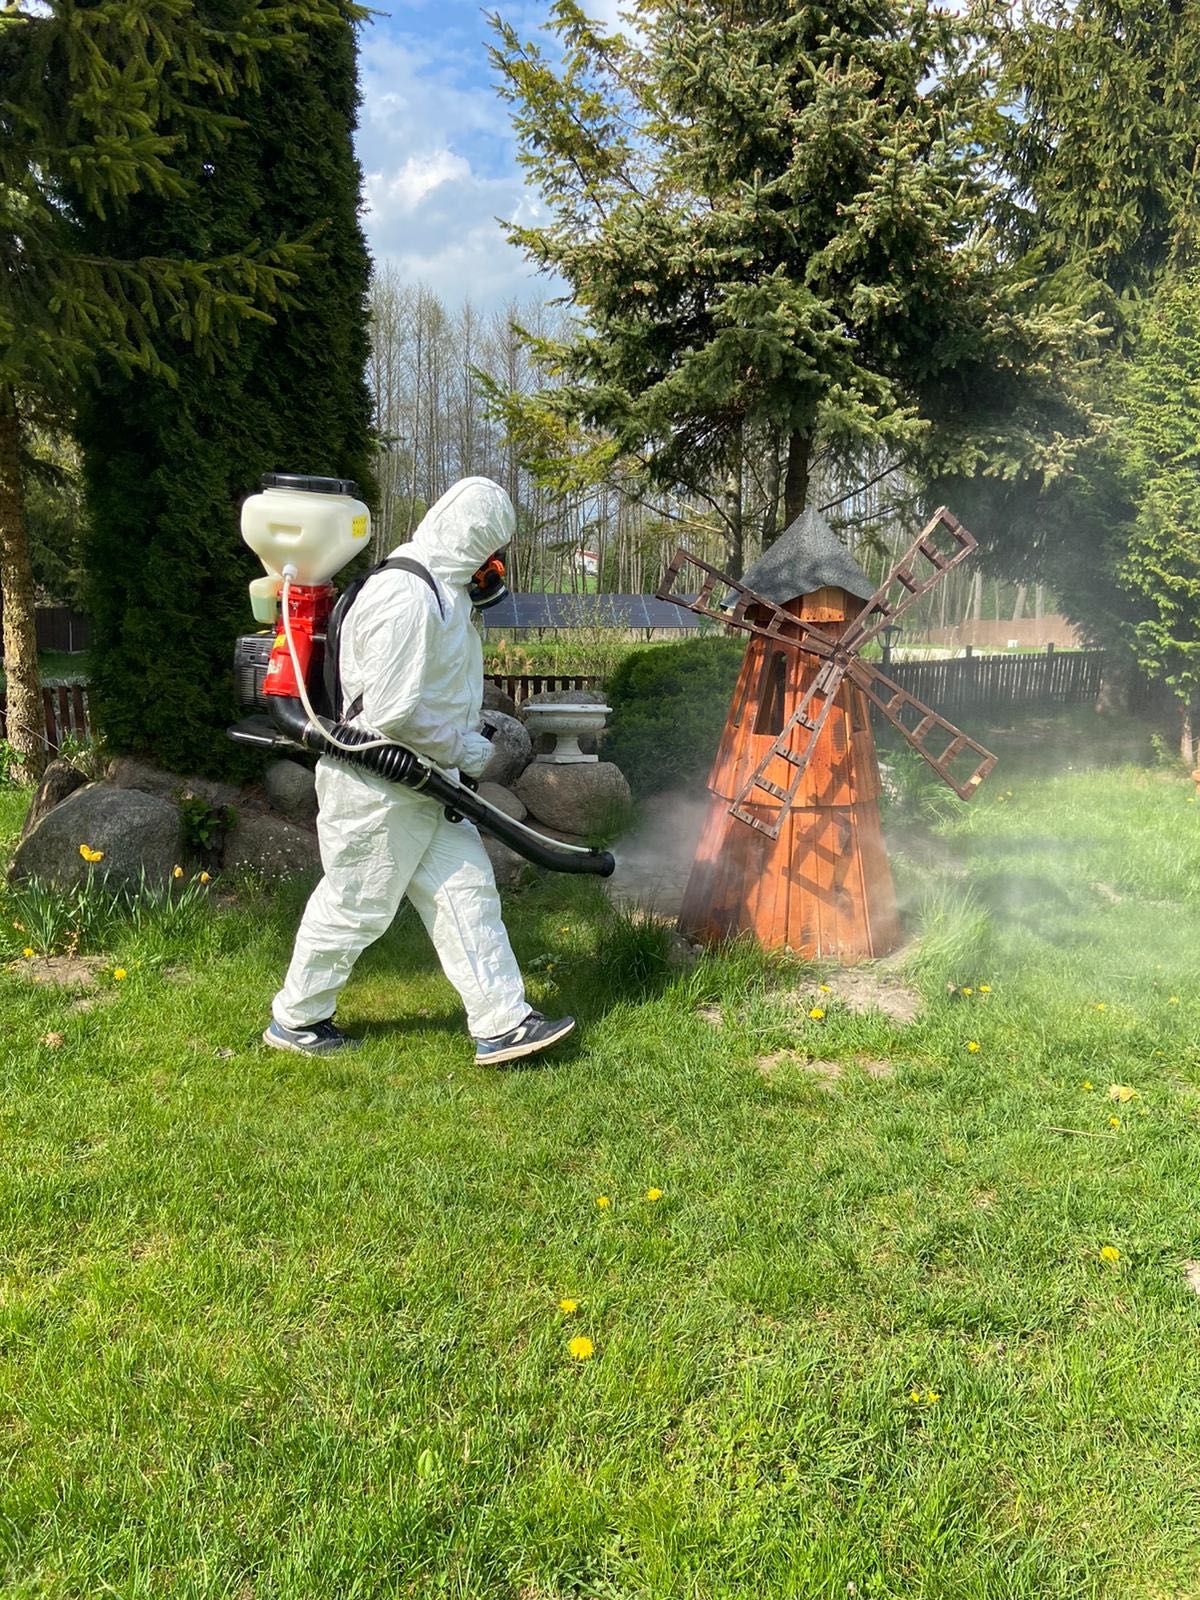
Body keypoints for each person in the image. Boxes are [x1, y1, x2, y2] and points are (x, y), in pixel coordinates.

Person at [263, 476, 575, 1065]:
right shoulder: (404, 594)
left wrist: (469, 733)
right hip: (377, 787)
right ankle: (296, 1020)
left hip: (428, 783)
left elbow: (430, 690)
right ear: (472, 536)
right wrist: (475, 751)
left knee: (468, 893)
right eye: (490, 549)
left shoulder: (443, 590)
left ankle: (503, 1022)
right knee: (356, 906)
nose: (494, 566)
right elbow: (391, 711)